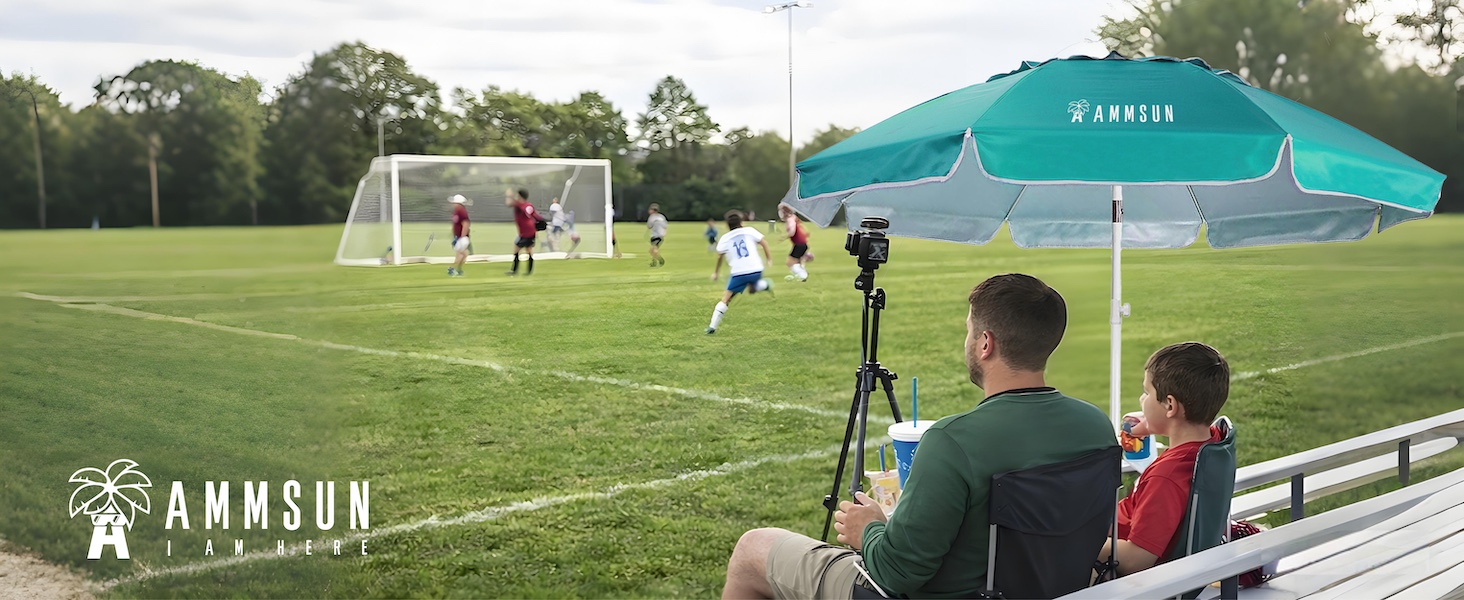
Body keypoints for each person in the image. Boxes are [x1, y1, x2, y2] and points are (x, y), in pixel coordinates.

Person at [722, 273, 1118, 599]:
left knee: (752, 548)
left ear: (985, 344)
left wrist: (870, 528)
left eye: (969, 330)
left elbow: (897, 573)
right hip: (1054, 587)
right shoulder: (1096, 425)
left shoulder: (954, 440)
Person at [1096, 342, 1230, 577]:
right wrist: (1152, 424)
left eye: (1147, 392)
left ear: (1169, 404)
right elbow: (1184, 424)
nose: (1141, 400)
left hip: (1118, 570)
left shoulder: (1166, 478)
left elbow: (1136, 560)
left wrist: (1076, 543)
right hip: (1116, 532)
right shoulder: (1212, 443)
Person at [706, 211, 772, 335]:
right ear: (741, 222)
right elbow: (764, 242)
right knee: (752, 288)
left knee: (726, 299)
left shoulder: (725, 238)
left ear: (727, 224)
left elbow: (720, 256)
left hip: (739, 273)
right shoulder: (750, 231)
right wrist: (769, 259)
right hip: (756, 270)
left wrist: (716, 272)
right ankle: (763, 285)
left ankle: (712, 327)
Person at [505, 188, 537, 276]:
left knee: (516, 249)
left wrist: (508, 195)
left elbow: (509, 203)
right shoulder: (529, 205)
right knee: (529, 250)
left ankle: (514, 271)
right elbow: (535, 216)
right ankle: (529, 271)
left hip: (525, 232)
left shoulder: (519, 205)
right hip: (531, 231)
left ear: (520, 196)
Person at [778, 204, 812, 282]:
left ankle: (803, 276)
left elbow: (792, 232)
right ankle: (802, 274)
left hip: (799, 244)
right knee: (798, 262)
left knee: (790, 262)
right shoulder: (794, 217)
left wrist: (785, 236)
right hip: (802, 244)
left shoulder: (790, 219)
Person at [448, 194, 472, 277]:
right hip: (458, 237)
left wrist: (462, 236)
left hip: (462, 237)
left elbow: (466, 224)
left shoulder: (462, 212)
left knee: (462, 253)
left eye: (454, 203)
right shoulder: (456, 212)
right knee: (462, 254)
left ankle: (454, 269)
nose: (453, 204)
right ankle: (457, 269)